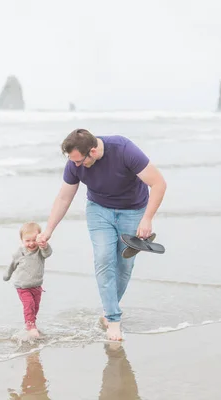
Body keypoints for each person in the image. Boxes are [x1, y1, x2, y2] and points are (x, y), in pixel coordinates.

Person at [36, 128, 167, 341]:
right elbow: (63, 198)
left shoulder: (124, 150)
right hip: (99, 210)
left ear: (94, 151)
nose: (75, 165)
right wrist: (49, 230)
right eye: (72, 161)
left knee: (124, 265)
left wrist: (147, 218)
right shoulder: (74, 163)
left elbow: (159, 183)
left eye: (79, 161)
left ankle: (108, 311)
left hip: (133, 210)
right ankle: (114, 319)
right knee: (104, 258)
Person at [4, 221, 52, 338]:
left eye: (34, 240)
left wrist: (45, 245)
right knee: (29, 304)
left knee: (35, 307)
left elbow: (47, 253)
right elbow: (12, 264)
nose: (31, 243)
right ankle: (30, 326)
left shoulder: (40, 251)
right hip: (22, 286)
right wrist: (7, 274)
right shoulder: (19, 253)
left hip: (36, 286)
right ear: (22, 240)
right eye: (27, 240)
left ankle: (31, 325)